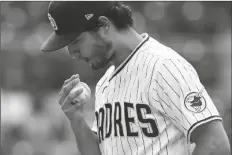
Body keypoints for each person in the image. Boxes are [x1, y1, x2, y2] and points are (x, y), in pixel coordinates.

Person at [40, 1, 231, 155]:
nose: (72, 52)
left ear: (104, 26)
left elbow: (215, 143)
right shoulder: (105, 85)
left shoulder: (163, 66)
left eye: (76, 41)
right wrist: (76, 119)